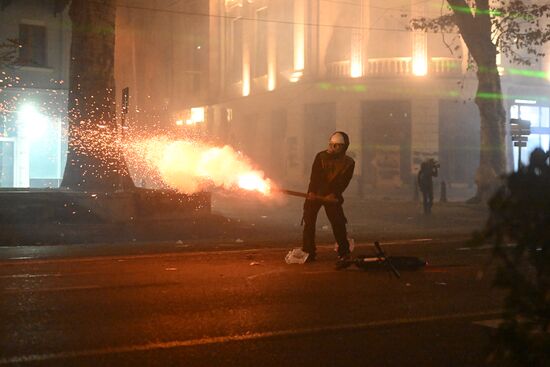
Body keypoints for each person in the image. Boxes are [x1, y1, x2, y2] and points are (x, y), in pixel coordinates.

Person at [302, 131, 355, 262]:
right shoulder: (320, 157)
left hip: (332, 195)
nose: (333, 148)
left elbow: (343, 182)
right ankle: (309, 251)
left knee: (338, 223)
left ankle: (344, 252)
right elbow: (314, 177)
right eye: (332, 145)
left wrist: (334, 194)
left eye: (337, 146)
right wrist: (313, 192)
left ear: (344, 147)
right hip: (316, 193)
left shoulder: (349, 162)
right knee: (309, 221)